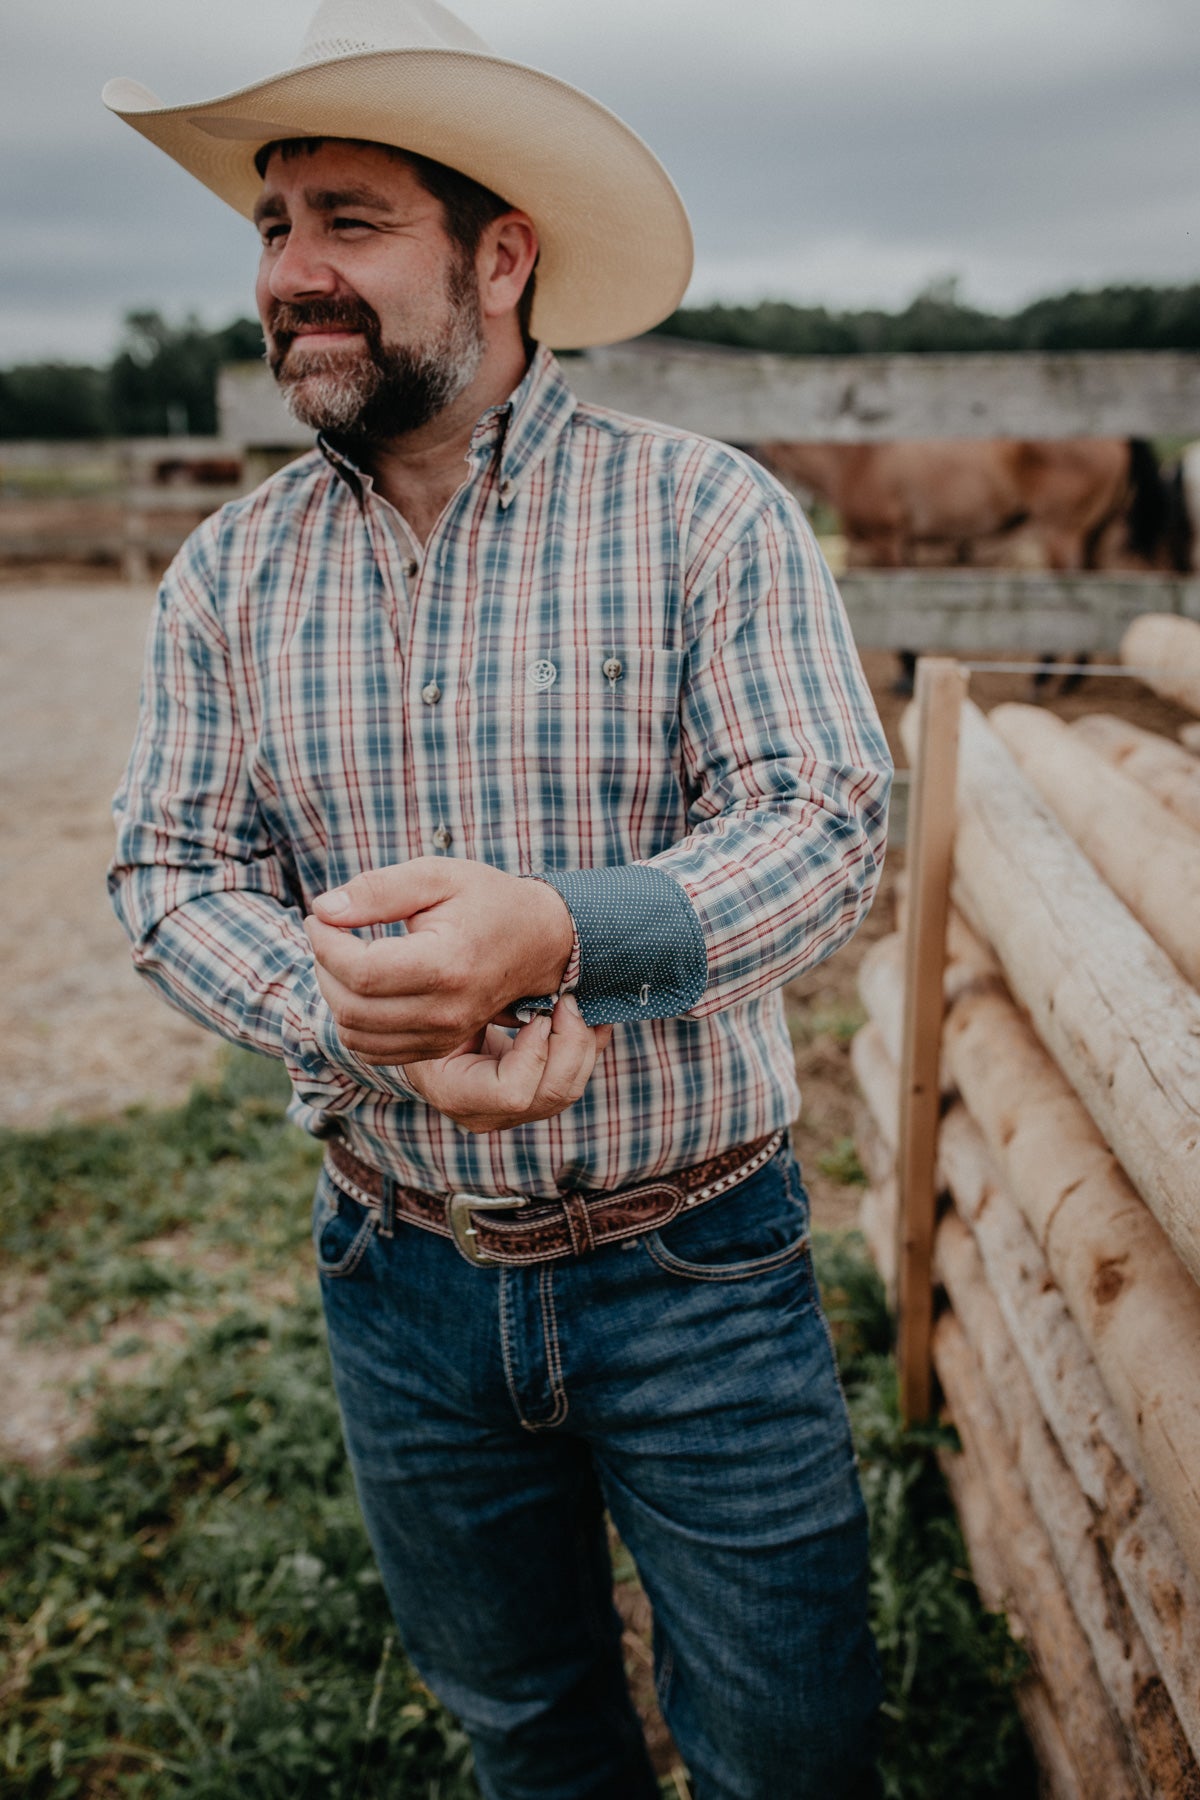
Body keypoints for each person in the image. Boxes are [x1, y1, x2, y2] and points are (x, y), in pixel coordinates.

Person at [106, 3, 893, 1794]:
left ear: (502, 254)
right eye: (270, 223)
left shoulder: (705, 512)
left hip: (697, 1259)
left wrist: (556, 939)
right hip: (401, 1269)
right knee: (528, 1730)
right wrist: (345, 1007)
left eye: (349, 219)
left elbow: (828, 820)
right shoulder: (227, 572)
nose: (292, 271)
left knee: (790, 1749)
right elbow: (168, 865)